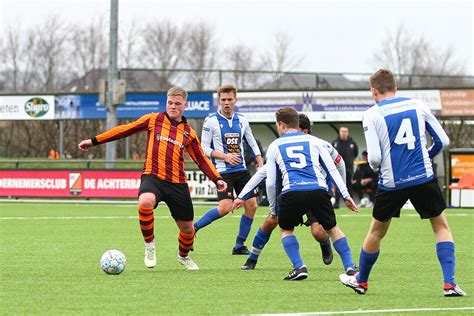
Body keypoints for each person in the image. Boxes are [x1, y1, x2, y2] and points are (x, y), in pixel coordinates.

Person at [339, 69, 465, 296]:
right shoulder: (418, 105)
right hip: (423, 177)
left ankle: (362, 281)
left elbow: (375, 158)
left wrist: (380, 169)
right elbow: (443, 141)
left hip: (392, 182)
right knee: (441, 227)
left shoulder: (372, 114)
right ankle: (450, 284)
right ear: (395, 87)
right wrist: (426, 154)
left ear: (374, 91)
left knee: (376, 232)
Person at [78, 86, 227, 271]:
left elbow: (201, 160)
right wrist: (94, 141)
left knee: (188, 230)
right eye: (170, 103)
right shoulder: (154, 119)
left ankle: (183, 256)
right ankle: (150, 246)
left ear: (185, 105)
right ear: (166, 102)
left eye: (177, 104)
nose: (173, 106)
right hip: (153, 176)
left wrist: (217, 178)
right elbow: (125, 130)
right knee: (145, 202)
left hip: (177, 183)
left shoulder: (189, 132)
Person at [233, 114, 345, 270]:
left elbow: (339, 164)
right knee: (271, 221)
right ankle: (252, 258)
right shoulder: (281, 146)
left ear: (304, 131)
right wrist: (242, 196)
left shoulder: (319, 145)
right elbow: (262, 173)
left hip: (316, 191)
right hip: (291, 190)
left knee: (318, 232)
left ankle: (324, 245)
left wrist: (341, 189)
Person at [264, 107, 358, 280]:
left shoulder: (275, 145)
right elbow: (332, 168)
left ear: (282, 124)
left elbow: (270, 182)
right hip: (318, 189)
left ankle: (299, 267)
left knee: (286, 229)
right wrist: (345, 195)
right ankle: (351, 268)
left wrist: (273, 208)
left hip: (292, 191)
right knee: (333, 228)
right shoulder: (316, 141)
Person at [194, 84, 264, 255]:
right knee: (225, 207)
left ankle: (239, 245)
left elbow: (251, 142)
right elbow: (203, 148)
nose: (226, 103)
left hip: (242, 171)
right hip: (222, 171)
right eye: (223, 100)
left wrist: (261, 162)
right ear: (219, 100)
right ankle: (193, 228)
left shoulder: (242, 120)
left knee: (252, 205)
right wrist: (224, 156)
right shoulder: (211, 121)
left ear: (235, 100)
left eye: (229, 99)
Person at [332, 126, 358, 208]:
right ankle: (336, 204)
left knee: (349, 186)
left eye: (345, 131)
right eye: (342, 131)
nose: (344, 133)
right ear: (339, 132)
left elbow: (356, 153)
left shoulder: (352, 143)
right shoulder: (335, 143)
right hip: (337, 169)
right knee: (338, 186)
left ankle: (352, 203)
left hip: (349, 169)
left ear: (348, 132)